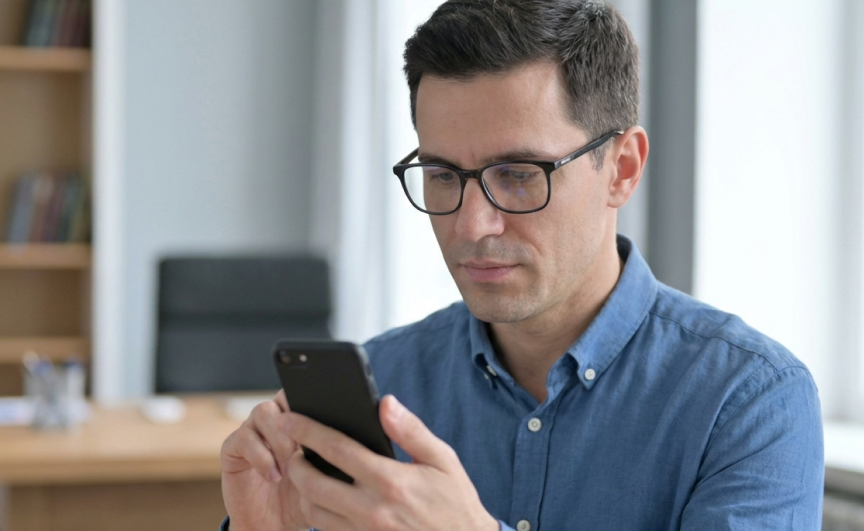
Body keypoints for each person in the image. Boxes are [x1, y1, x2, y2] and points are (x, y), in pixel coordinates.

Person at [219, 1, 824, 529]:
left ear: (622, 169)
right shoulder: (386, 378)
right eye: (442, 176)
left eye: (517, 175)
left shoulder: (749, 401)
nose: (473, 225)